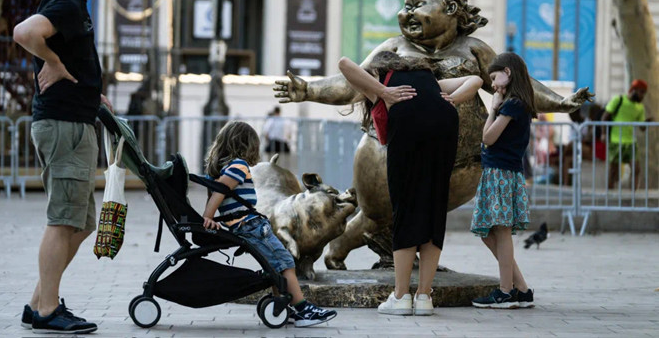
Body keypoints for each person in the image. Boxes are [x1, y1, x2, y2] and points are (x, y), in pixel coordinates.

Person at [13, 0, 113, 334]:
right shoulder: (67, 6)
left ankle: (38, 301)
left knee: (82, 222)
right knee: (63, 220)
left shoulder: (73, 8)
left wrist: (91, 90)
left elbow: (66, 53)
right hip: (64, 127)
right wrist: (52, 61)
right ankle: (48, 311)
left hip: (75, 121)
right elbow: (24, 32)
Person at [338, 51, 483, 316]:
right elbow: (475, 80)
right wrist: (451, 100)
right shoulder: (430, 81)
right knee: (433, 209)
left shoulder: (384, 82)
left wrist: (384, 91)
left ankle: (401, 296)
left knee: (406, 209)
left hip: (408, 125)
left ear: (381, 67)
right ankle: (425, 297)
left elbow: (344, 64)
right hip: (445, 124)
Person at [201, 120, 337, 328]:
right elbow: (220, 191)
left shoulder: (224, 167)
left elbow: (218, 190)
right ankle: (302, 309)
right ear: (247, 145)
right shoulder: (238, 166)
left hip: (248, 224)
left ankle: (284, 304)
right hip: (250, 225)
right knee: (285, 262)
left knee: (275, 264)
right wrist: (207, 216)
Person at [470, 52, 535, 309]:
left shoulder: (512, 105)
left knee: (500, 230)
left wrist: (494, 108)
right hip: (502, 172)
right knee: (490, 233)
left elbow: (488, 137)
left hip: (501, 173)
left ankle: (505, 291)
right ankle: (521, 289)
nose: (493, 85)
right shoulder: (518, 103)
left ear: (508, 72)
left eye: (495, 78)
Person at [601, 79, 651, 190]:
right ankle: (609, 195)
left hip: (630, 142)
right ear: (633, 90)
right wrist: (604, 134)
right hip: (616, 140)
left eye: (644, 93)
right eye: (641, 92)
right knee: (613, 170)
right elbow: (605, 116)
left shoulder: (639, 107)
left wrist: (646, 123)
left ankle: (632, 196)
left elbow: (641, 127)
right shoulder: (619, 100)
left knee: (636, 169)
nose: (642, 95)